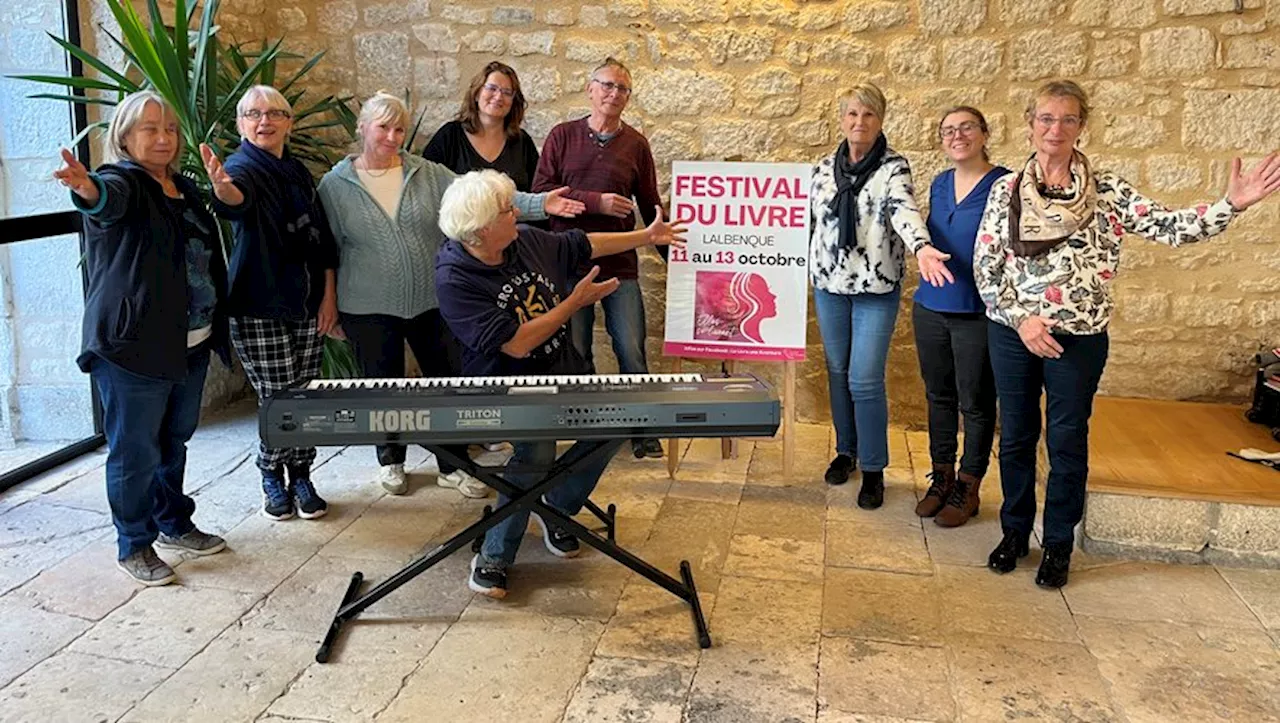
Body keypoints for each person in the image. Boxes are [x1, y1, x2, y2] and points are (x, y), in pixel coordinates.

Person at [975, 79, 1280, 588]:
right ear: (1030, 126)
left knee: (1068, 439)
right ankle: (1014, 532)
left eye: (1068, 119)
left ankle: (1057, 545)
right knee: (1018, 436)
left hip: (1080, 339)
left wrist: (1232, 204)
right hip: (1015, 332)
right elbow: (987, 268)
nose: (1056, 128)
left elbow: (1169, 227)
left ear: (1082, 126)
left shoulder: (1108, 191)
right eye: (1046, 118)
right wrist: (1021, 320)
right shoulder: (1006, 190)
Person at [317, 92, 584, 498]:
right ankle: (391, 460)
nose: (392, 136)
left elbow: (487, 200)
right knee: (382, 385)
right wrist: (329, 301)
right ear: (362, 127)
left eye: (400, 128)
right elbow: (327, 251)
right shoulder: (335, 186)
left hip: (431, 301)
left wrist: (541, 203)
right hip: (367, 305)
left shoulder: (427, 173)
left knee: (448, 386)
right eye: (383, 126)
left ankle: (453, 464)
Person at [434, 169, 685, 599]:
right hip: (501, 388)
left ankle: (558, 509)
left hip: (559, 370)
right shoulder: (455, 276)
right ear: (479, 232)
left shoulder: (522, 241)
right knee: (537, 450)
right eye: (506, 210)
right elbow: (514, 344)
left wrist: (644, 237)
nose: (517, 213)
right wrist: (574, 303)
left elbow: (582, 243)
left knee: (616, 423)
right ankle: (493, 557)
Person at [54, 90, 230, 586]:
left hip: (191, 343)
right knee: (135, 451)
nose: (163, 137)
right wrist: (86, 187)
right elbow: (104, 203)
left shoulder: (183, 188)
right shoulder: (122, 181)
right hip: (134, 346)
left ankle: (173, 522)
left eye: (169, 128)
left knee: (173, 441)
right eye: (149, 128)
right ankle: (134, 544)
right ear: (125, 137)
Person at [808, 82, 951, 508]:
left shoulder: (893, 168)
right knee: (837, 371)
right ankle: (846, 451)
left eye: (868, 115)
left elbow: (902, 210)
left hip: (875, 289)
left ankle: (873, 468)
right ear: (841, 120)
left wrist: (922, 247)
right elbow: (804, 223)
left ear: (880, 120)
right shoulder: (820, 169)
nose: (859, 122)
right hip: (829, 286)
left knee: (863, 378)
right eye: (852, 114)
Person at [204, 85, 338, 522]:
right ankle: (271, 473)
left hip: (306, 301)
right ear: (241, 124)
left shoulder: (297, 171)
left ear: (289, 122)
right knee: (279, 398)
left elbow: (320, 241)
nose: (265, 121)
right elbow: (236, 200)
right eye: (253, 114)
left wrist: (328, 297)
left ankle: (301, 472)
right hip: (258, 304)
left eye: (274, 113)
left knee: (305, 397)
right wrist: (222, 188)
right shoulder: (243, 168)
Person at [532, 57, 666, 460]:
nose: (613, 94)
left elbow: (651, 205)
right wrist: (596, 202)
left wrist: (678, 260)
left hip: (620, 267)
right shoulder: (561, 136)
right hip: (569, 266)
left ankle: (642, 429)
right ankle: (589, 428)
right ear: (590, 89)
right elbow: (541, 193)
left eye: (622, 89)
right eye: (606, 85)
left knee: (631, 348)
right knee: (577, 350)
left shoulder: (637, 144)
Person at [912, 107, 1008, 528]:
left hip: (978, 313)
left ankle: (969, 485)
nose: (958, 135)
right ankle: (943, 477)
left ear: (984, 133)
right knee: (939, 397)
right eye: (948, 130)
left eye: (967, 127)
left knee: (977, 402)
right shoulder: (938, 183)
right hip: (931, 307)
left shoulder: (1005, 184)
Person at [423, 61, 540, 191]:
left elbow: (536, 192)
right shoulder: (450, 136)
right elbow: (426, 185)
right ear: (477, 93)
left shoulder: (523, 142)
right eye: (492, 88)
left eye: (507, 92)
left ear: (513, 101)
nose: (498, 96)